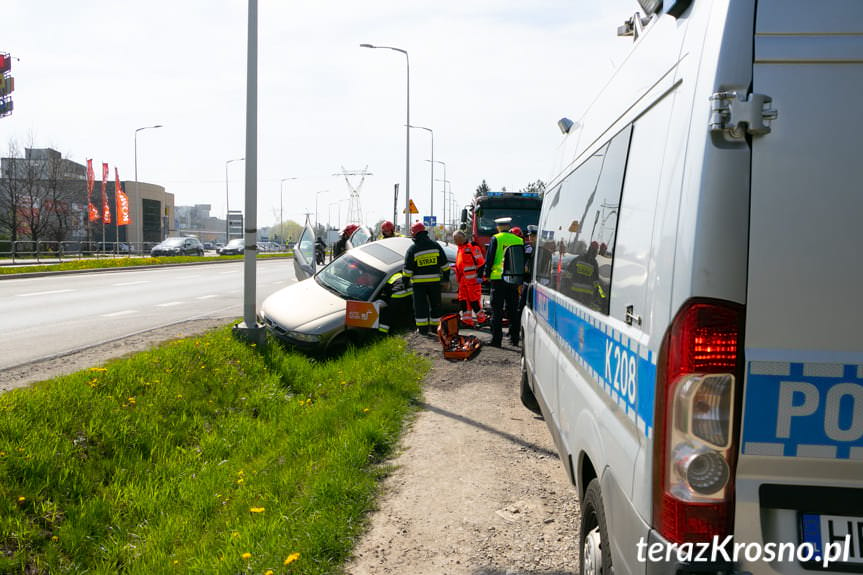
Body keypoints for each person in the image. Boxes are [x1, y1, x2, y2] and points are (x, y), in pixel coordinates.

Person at [482, 216, 524, 347]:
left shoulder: (496, 238)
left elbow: (490, 258)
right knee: (513, 310)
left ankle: (496, 340)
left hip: (498, 279)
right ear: (508, 226)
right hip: (513, 279)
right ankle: (515, 339)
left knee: (497, 311)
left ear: (499, 227)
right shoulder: (519, 240)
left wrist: (486, 274)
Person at [403, 222, 450, 335]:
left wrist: (405, 283)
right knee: (436, 305)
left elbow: (408, 270)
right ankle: (436, 328)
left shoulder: (413, 249)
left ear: (414, 235)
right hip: (434, 283)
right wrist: (445, 280)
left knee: (420, 307)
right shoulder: (435, 245)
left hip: (419, 285)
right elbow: (445, 266)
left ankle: (423, 330)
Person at [452, 230, 487, 327]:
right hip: (463, 281)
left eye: (456, 239)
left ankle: (482, 319)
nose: (455, 241)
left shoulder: (472, 247)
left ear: (462, 238)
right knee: (464, 301)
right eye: (454, 239)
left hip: (473, 281)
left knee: (474, 301)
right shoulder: (460, 248)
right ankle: (467, 321)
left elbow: (481, 263)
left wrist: (480, 277)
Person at [567, 240, 606, 311]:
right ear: (596, 252)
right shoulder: (594, 263)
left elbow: (568, 274)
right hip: (586, 297)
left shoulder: (578, 259)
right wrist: (601, 296)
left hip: (574, 293)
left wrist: (567, 288)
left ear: (589, 248)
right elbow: (596, 282)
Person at [518, 225, 538, 312]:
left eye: (533, 236)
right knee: (522, 305)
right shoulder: (527, 249)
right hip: (527, 281)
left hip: (537, 282)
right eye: (530, 236)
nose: (531, 238)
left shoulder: (540, 249)